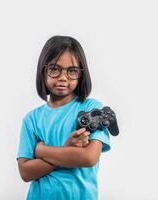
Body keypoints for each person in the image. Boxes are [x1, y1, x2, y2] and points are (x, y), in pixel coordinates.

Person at [16, 35, 111, 200]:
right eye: (54, 69)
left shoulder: (92, 109)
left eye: (72, 71)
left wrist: (41, 150)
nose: (63, 77)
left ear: (81, 74)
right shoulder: (31, 119)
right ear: (43, 70)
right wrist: (68, 147)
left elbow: (88, 157)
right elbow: (25, 172)